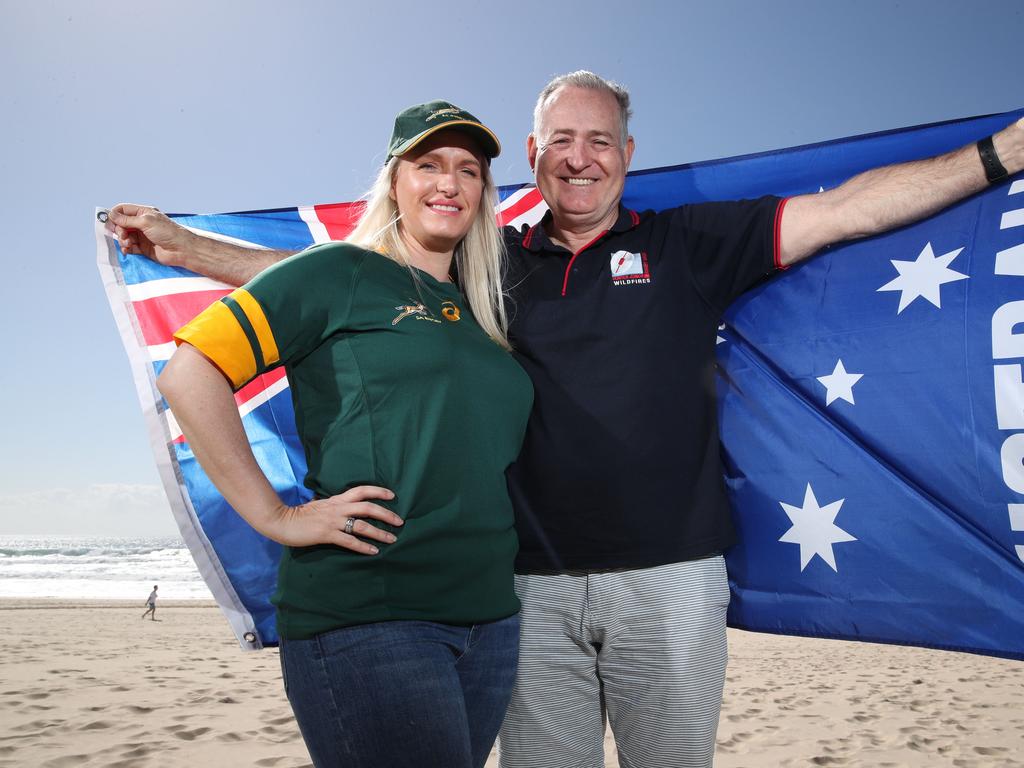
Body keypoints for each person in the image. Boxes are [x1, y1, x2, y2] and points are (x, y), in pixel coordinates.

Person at [108, 74, 1024, 768]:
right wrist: (192, 250)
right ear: (539, 158)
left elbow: (846, 210)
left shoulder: (687, 243)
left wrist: (1006, 153)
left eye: (600, 139)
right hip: (520, 596)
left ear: (627, 150)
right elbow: (341, 283)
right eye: (560, 141)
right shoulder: (486, 268)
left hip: (668, 583)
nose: (580, 157)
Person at [150, 101, 534, 768]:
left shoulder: (484, 311)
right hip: (371, 617)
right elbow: (190, 375)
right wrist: (278, 515)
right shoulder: (337, 271)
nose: (450, 183)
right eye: (429, 164)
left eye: (468, 170)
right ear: (394, 181)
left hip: (490, 622)